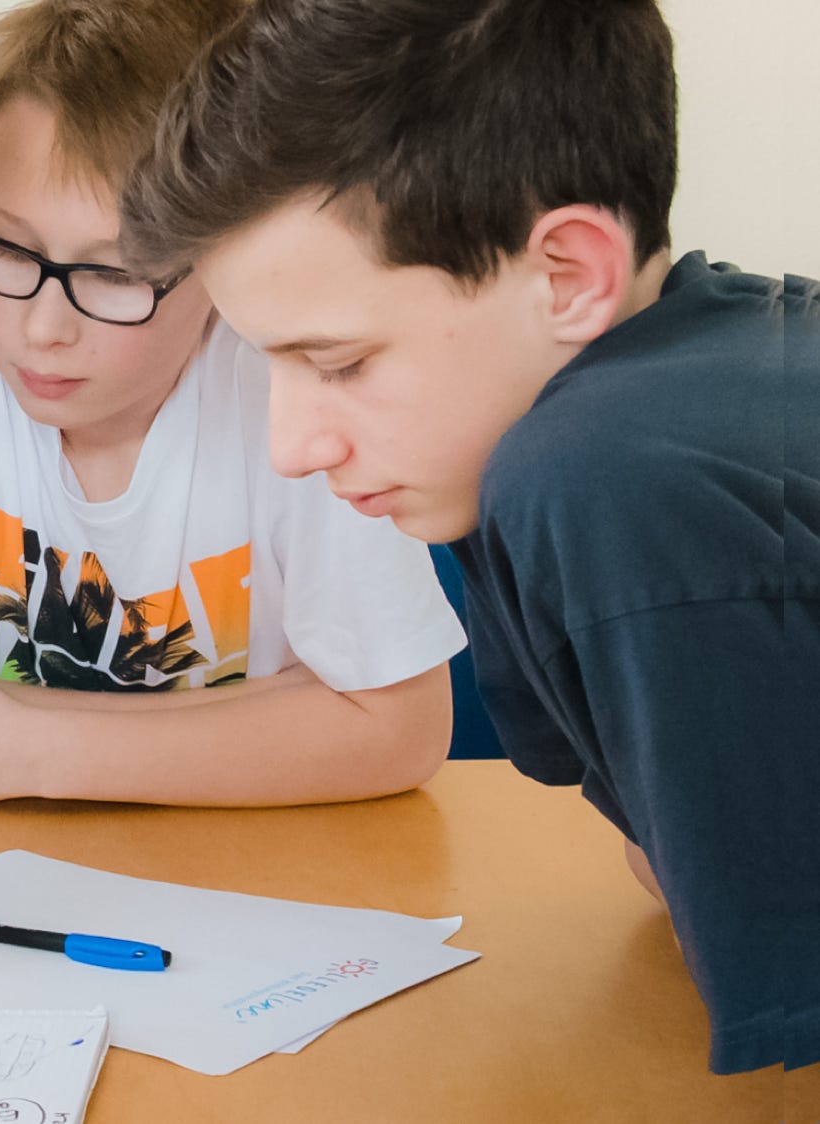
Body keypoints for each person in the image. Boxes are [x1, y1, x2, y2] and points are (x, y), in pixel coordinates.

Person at [119, 0, 817, 1074]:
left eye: (339, 362)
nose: (290, 446)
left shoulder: (604, 471)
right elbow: (665, 875)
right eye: (269, 365)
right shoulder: (626, 399)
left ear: (569, 275)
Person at [0, 0, 464, 807]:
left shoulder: (286, 386)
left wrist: (23, 746)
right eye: (9, 247)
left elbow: (399, 729)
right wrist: (278, 722)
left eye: (112, 274)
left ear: (224, 261)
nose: (43, 328)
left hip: (262, 876)